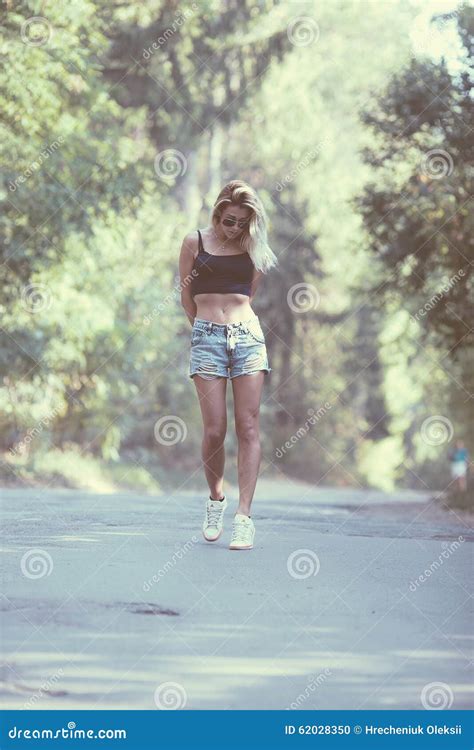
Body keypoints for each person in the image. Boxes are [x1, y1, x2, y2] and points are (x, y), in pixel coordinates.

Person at [178, 180, 278, 550]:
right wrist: (204, 330)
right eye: (229, 221)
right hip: (206, 337)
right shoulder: (194, 242)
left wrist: (232, 325)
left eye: (242, 222)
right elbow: (186, 295)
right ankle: (216, 500)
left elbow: (248, 295)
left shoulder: (253, 248)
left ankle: (244, 517)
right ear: (218, 214)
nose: (234, 228)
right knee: (215, 429)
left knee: (248, 426)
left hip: (248, 337)